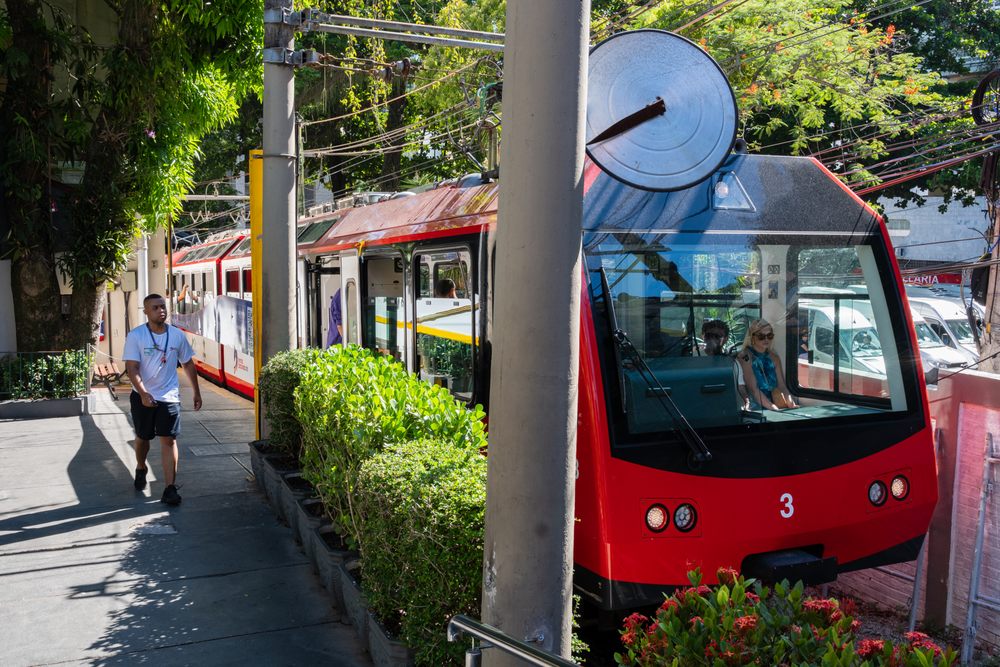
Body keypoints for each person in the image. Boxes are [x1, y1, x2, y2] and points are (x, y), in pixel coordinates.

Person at [123, 293, 202, 506]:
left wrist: (196, 391)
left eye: (163, 307)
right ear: (146, 311)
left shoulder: (176, 335)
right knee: (143, 437)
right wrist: (143, 393)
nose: (161, 311)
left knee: (169, 440)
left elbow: (187, 364)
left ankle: (169, 488)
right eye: (156, 308)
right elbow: (132, 368)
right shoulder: (136, 336)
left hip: (169, 397)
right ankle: (141, 467)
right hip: (142, 396)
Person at [737, 318, 798, 411]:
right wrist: (773, 408)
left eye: (769, 336)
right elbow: (754, 390)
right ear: (752, 337)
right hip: (755, 406)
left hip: (775, 403)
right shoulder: (745, 357)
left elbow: (782, 385)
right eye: (761, 336)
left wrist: (790, 403)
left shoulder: (774, 357)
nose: (766, 339)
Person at [702, 319, 750, 410]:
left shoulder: (732, 362)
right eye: (709, 335)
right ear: (703, 336)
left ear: (726, 339)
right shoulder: (693, 358)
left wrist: (747, 402)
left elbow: (740, 387)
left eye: (717, 336)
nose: (712, 339)